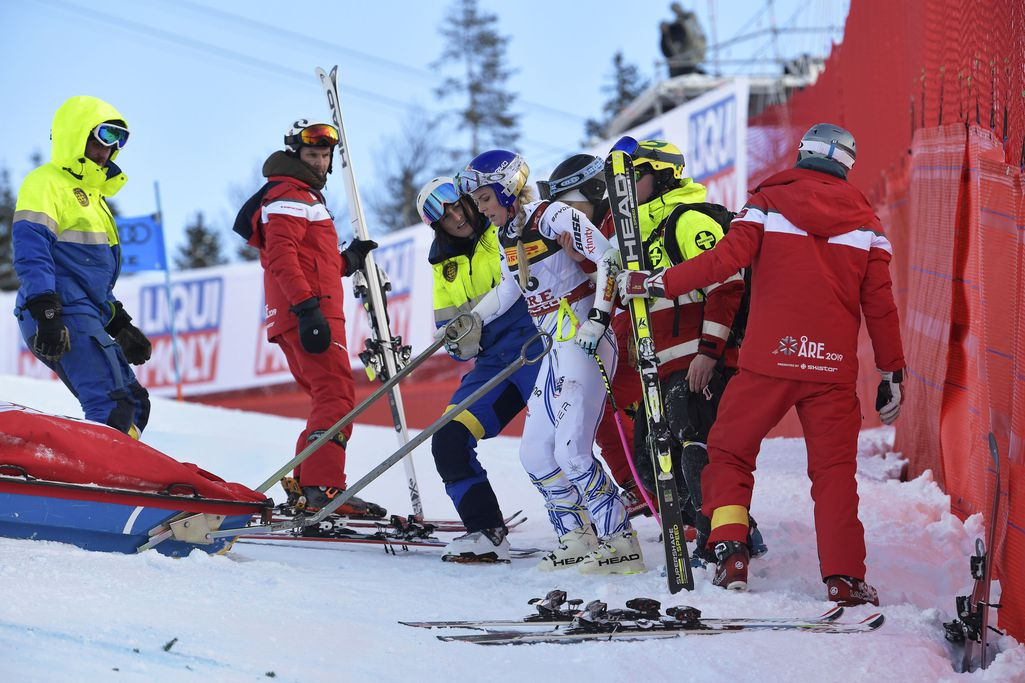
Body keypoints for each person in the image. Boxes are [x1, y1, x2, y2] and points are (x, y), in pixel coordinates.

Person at [618, 123, 906, 605]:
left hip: (768, 360)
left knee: (728, 452)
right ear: (846, 165)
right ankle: (844, 579)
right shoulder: (868, 226)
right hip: (830, 370)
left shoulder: (767, 204)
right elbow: (881, 306)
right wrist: (891, 372)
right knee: (834, 474)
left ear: (801, 155)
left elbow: (722, 262)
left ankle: (730, 550)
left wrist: (654, 284)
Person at [455, 150, 645, 575]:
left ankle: (621, 542)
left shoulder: (552, 215)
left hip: (583, 335)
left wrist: (598, 318)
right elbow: (509, 290)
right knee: (535, 453)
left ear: (507, 188)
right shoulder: (508, 234)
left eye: (485, 197)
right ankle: (576, 537)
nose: (481, 208)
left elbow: (611, 258)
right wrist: (471, 318)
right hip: (553, 346)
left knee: (572, 449)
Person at [239, 119, 381, 517]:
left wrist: (347, 261)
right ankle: (323, 488)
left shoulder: (303, 196)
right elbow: (282, 257)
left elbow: (310, 261)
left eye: (324, 155)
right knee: (336, 396)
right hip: (308, 312)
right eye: (312, 155)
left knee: (327, 397)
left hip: (308, 309)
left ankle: (308, 487)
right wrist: (307, 309)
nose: (320, 163)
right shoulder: (288, 195)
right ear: (294, 155)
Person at [414, 177, 542, 563]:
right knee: (448, 440)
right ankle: (486, 531)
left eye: (459, 205)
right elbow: (451, 333)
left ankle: (643, 501)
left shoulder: (502, 227)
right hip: (493, 362)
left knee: (567, 437)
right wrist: (457, 339)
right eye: (445, 216)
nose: (456, 217)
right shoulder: (443, 264)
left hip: (538, 342)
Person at [13, 96, 152, 438]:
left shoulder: (94, 198)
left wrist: (118, 323)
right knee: (112, 403)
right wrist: (46, 311)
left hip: (85, 312)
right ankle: (99, 484)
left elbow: (88, 277)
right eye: (102, 136)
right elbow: (33, 252)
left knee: (135, 403)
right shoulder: (46, 182)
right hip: (57, 310)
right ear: (77, 135)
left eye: (118, 139)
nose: (109, 148)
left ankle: (122, 473)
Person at [539, 155, 645, 509]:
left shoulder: (620, 221)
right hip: (630, 331)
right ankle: (638, 483)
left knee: (600, 401)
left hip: (651, 333)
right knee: (596, 406)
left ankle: (650, 486)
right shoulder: (591, 230)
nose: (565, 216)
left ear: (596, 191)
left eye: (571, 205)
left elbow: (625, 277)